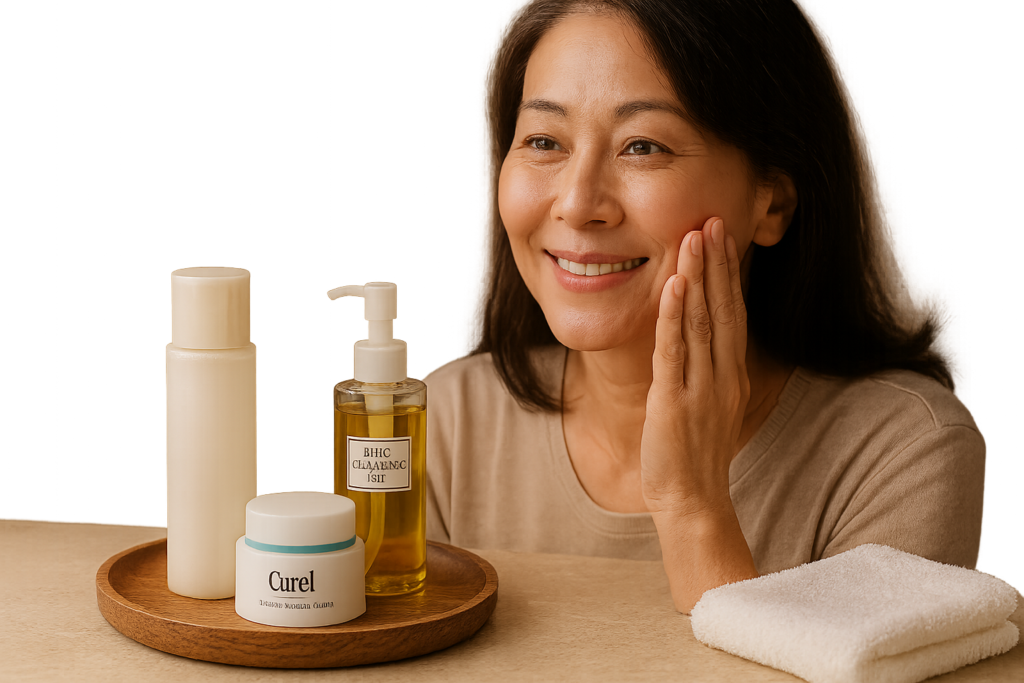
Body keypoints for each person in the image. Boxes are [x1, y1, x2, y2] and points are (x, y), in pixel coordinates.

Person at [423, 0, 987, 613]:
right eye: (542, 141)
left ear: (771, 203)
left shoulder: (902, 454)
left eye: (643, 147)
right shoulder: (440, 427)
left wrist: (693, 504)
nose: (579, 203)